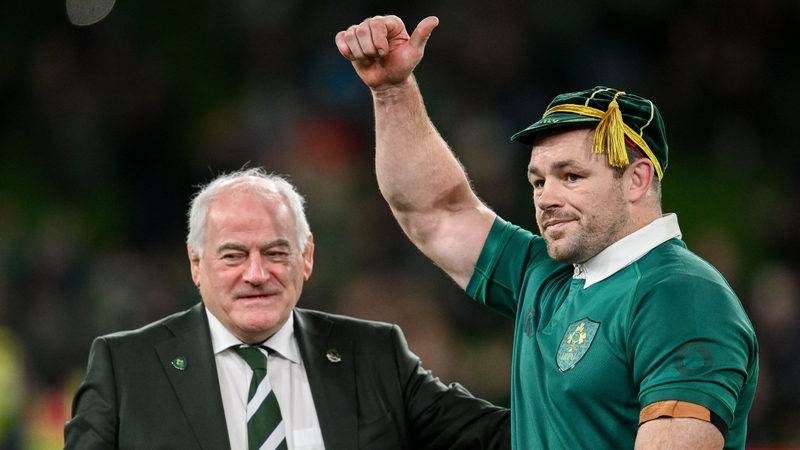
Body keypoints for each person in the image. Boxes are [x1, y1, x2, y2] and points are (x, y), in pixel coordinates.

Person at [335, 15, 758, 450]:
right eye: (538, 181)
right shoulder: (548, 273)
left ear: (637, 180)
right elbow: (434, 212)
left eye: (571, 176)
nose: (546, 198)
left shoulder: (680, 296)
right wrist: (391, 90)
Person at [64, 167, 511, 450]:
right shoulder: (127, 368)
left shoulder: (375, 355)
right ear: (196, 264)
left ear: (307, 257)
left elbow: (503, 437)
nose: (257, 274)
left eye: (276, 253)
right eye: (233, 255)